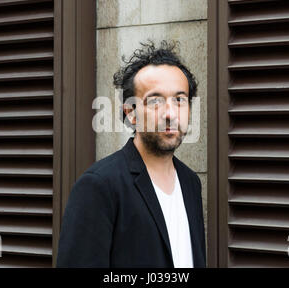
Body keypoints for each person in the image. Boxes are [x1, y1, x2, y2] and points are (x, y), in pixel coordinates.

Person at [56, 40, 206, 268]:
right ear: (131, 113)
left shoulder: (190, 183)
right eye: (155, 101)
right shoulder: (100, 186)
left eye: (179, 100)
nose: (170, 113)